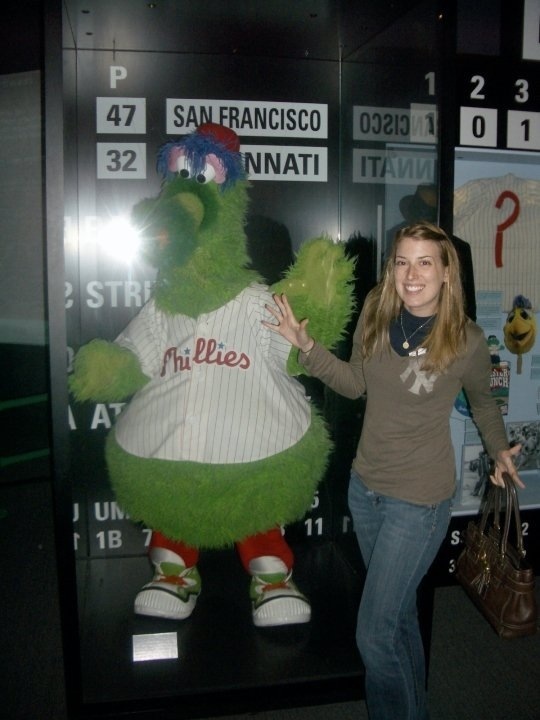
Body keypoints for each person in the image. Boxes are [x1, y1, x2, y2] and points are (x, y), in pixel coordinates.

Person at [263, 222, 523, 720]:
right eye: (402, 261)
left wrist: (498, 450)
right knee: (398, 617)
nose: (411, 273)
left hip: (420, 501)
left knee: (374, 634)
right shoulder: (376, 312)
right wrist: (307, 346)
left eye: (425, 262)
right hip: (366, 490)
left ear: (447, 271)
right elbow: (354, 384)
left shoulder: (465, 339)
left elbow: (484, 403)